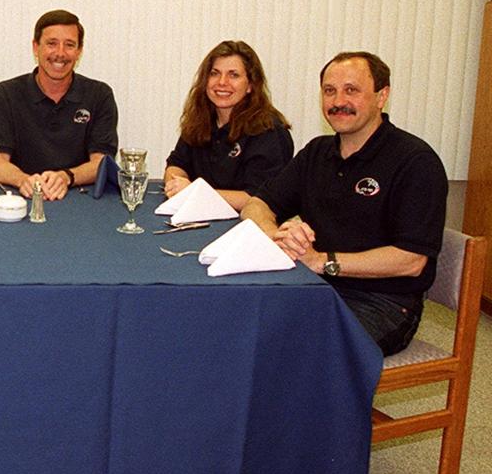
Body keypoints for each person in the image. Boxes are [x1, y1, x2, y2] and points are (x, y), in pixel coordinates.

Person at [242, 52, 447, 355]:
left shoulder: (415, 161)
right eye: (329, 91)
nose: (338, 101)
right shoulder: (316, 152)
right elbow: (256, 205)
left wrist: (322, 261)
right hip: (314, 288)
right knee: (237, 324)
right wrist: (275, 235)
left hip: (382, 303)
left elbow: (412, 260)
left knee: (293, 351)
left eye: (351, 90)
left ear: (382, 96)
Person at [0, 9, 117, 200]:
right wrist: (23, 180)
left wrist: (66, 177)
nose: (60, 53)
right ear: (35, 47)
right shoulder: (7, 94)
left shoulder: (99, 95)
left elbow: (102, 162)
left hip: (81, 199)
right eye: (51, 43)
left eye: (69, 45)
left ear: (79, 51)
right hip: (21, 197)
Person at [163, 40, 293, 210]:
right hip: (196, 216)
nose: (222, 82)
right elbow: (176, 164)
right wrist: (176, 184)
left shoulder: (269, 131)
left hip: (245, 222)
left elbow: (260, 198)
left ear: (250, 85)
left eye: (234, 75)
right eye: (215, 73)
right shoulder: (200, 119)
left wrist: (195, 193)